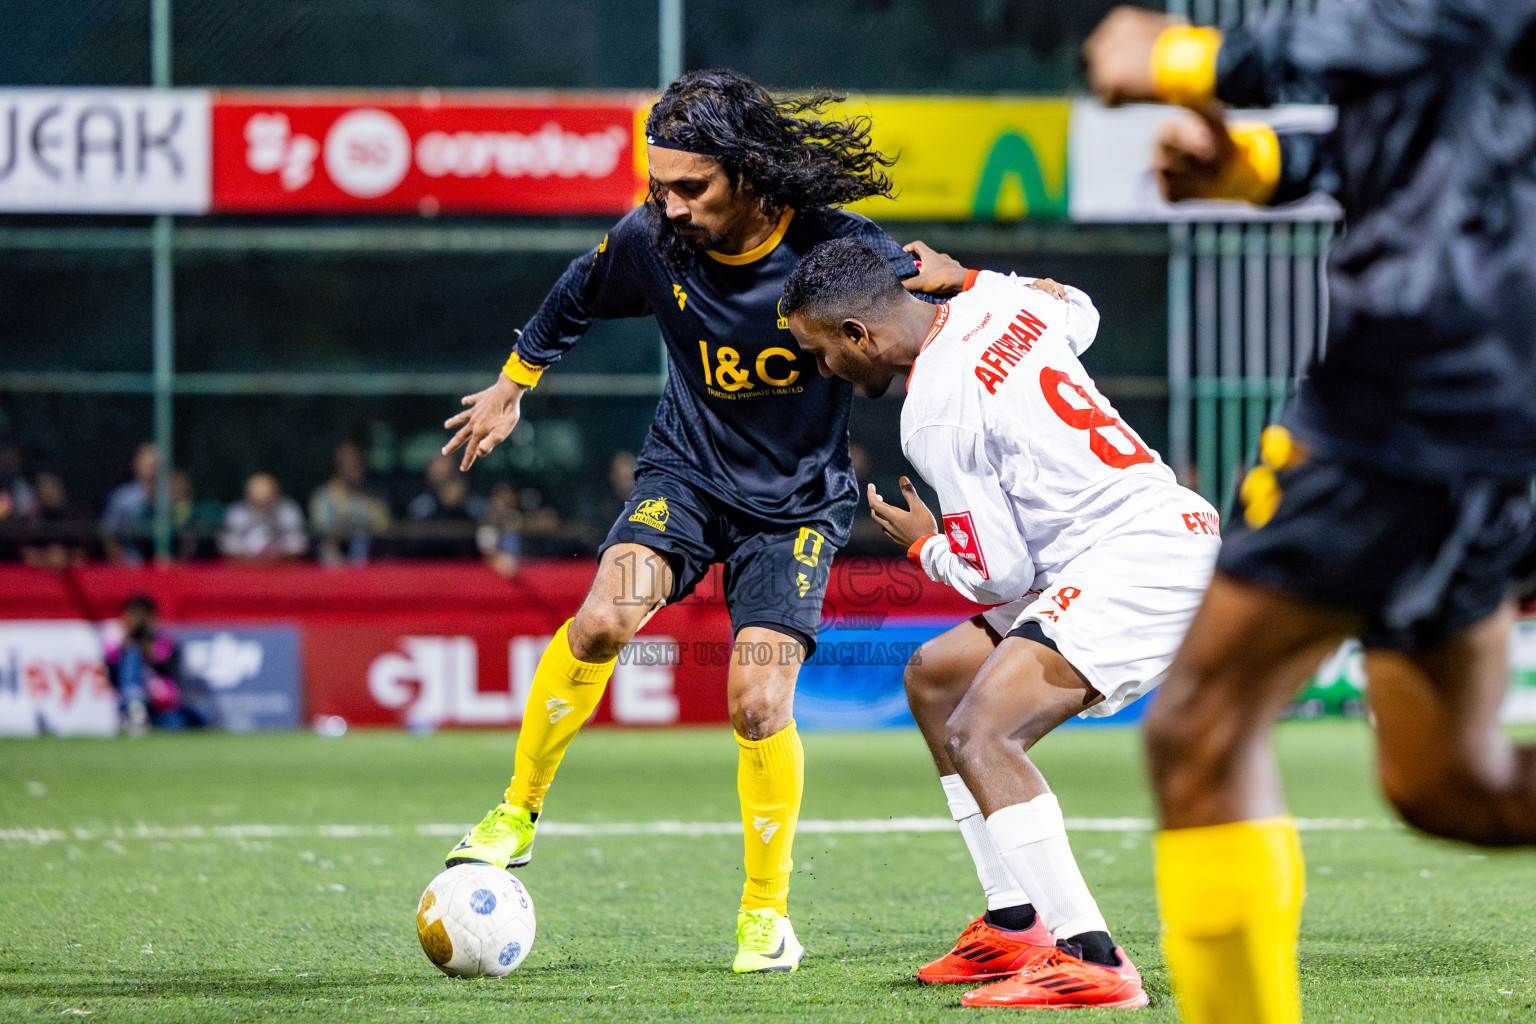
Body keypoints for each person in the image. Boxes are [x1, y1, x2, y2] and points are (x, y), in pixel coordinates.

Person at [438, 68, 953, 974]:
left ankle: (766, 917)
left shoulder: (839, 250)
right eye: (658, 186)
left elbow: (923, 333)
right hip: (687, 479)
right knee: (601, 617)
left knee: (756, 702)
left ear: (747, 174)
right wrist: (513, 386)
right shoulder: (653, 242)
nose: (668, 206)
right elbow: (573, 296)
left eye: (690, 187)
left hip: (794, 508)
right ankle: (515, 811)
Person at [1083, 5, 1536, 1022]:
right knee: (1449, 786)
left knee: (1200, 724)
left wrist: (1187, 55)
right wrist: (1256, 165)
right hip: (1459, 367)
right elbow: (1430, 125)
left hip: (1434, 380)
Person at [782, 236, 1223, 1008]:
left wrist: (926, 546)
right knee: (938, 679)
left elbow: (999, 574)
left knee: (983, 733)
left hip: (1136, 557)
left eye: (820, 351)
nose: (825, 370)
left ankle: (1091, 957)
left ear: (859, 336)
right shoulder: (993, 302)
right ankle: (1014, 919)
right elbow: (1079, 312)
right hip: (1140, 535)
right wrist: (974, 275)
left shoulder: (934, 414)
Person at [102, 594, 202, 733]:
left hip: (161, 705)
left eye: (143, 615)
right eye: (134, 614)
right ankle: (136, 708)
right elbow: (112, 674)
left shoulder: (163, 640)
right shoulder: (116, 640)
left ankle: (140, 718)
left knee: (191, 720)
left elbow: (169, 669)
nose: (138, 620)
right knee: (132, 653)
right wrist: (129, 641)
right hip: (132, 701)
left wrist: (147, 646)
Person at [309, 440, 390, 565]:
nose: (353, 464)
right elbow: (323, 530)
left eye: (356, 460)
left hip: (369, 560)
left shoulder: (373, 496)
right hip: (336, 561)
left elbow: (384, 526)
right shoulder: (323, 496)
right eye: (347, 460)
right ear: (339, 464)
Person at [219, 473, 308, 562]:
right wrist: (251, 555)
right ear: (248, 495)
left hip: (282, 566)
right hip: (244, 566)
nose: (262, 505)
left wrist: (275, 554)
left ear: (275, 494)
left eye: (266, 499)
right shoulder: (237, 513)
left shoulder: (288, 510)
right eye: (257, 500)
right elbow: (227, 543)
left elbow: (298, 542)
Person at [100, 441, 158, 565]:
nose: (150, 468)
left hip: (162, 569)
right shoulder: (122, 496)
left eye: (154, 463)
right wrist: (121, 561)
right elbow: (108, 533)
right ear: (136, 463)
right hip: (130, 567)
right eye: (146, 462)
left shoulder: (169, 496)